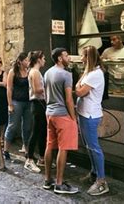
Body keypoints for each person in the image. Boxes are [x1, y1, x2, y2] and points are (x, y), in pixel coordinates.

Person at [43, 48, 79, 194]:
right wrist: (73, 117)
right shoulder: (66, 74)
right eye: (65, 55)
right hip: (63, 114)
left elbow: (46, 94)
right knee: (63, 148)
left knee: (50, 145)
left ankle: (47, 180)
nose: (68, 57)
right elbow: (69, 99)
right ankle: (59, 183)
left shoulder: (47, 72)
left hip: (50, 112)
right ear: (59, 58)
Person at [75, 46, 109, 196]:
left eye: (83, 56)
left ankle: (102, 181)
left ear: (88, 57)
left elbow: (80, 91)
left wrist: (78, 84)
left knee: (94, 147)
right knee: (89, 146)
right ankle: (94, 173)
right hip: (84, 113)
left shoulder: (95, 74)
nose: (80, 59)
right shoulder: (90, 72)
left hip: (90, 115)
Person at [3, 52, 31, 159]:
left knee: (27, 127)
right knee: (13, 125)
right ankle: (6, 149)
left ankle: (27, 149)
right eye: (26, 60)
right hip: (16, 101)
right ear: (20, 61)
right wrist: (10, 104)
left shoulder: (28, 72)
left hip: (28, 102)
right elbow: (9, 88)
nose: (28, 62)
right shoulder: (13, 72)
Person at [25, 51, 47, 173]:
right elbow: (37, 90)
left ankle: (42, 158)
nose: (44, 60)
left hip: (38, 103)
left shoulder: (34, 72)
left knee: (41, 131)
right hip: (37, 103)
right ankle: (29, 159)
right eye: (43, 58)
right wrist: (48, 87)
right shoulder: (35, 72)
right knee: (36, 131)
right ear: (38, 59)